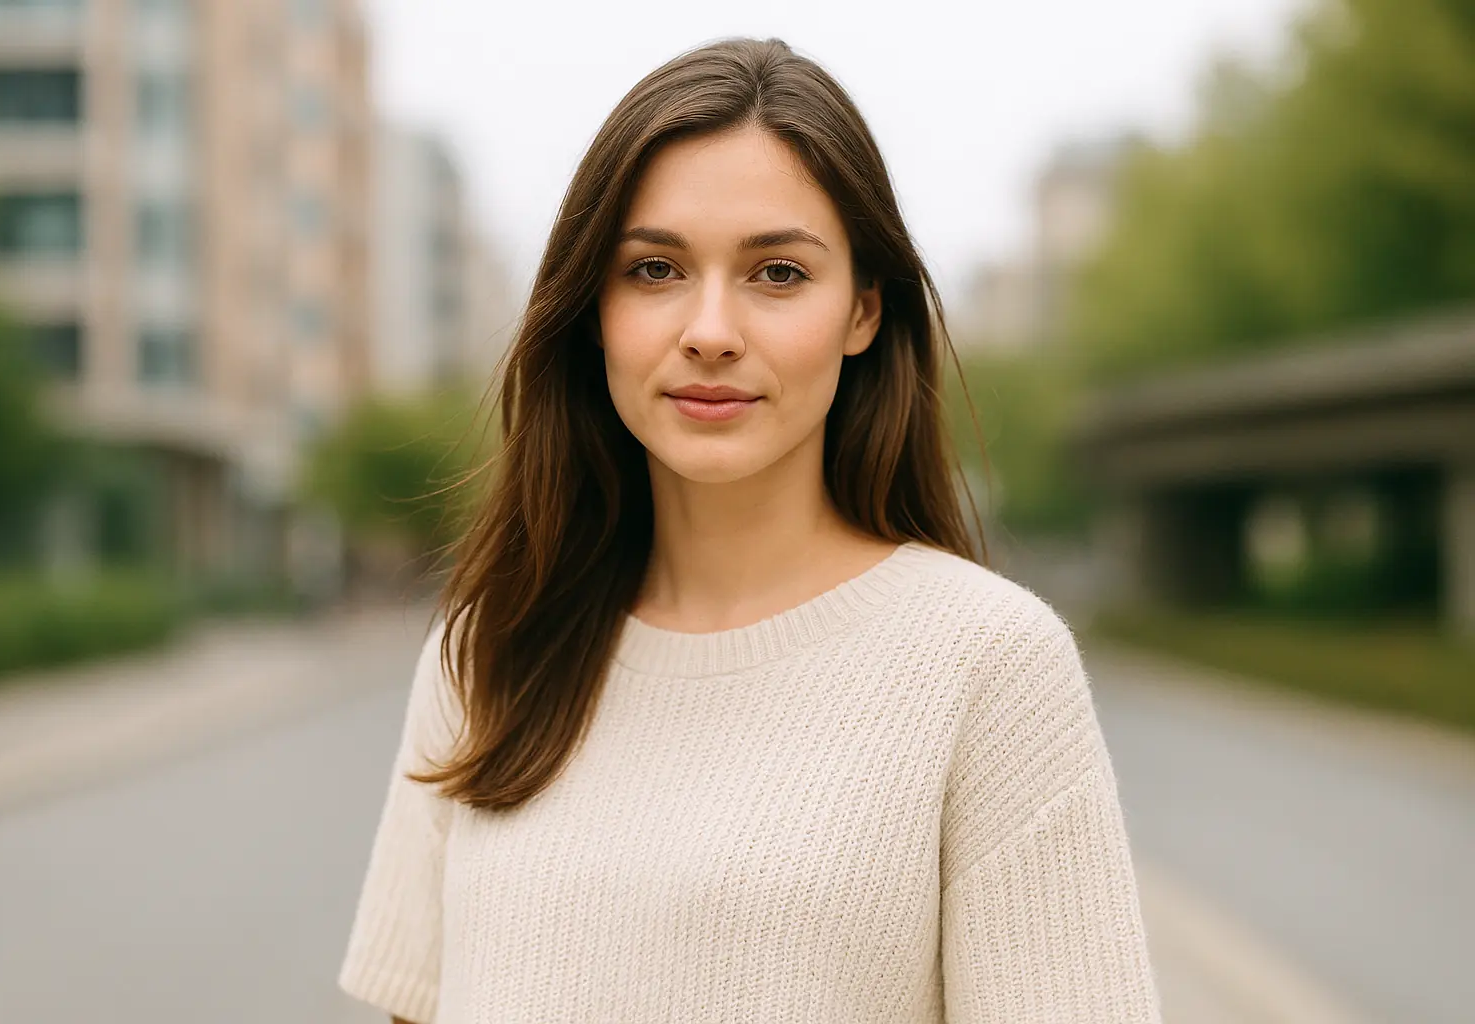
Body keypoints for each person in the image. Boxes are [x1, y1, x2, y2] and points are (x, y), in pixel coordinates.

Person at [337, 36, 1163, 1024]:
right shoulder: (491, 648)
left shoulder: (987, 664)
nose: (711, 331)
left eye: (777, 272)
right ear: (592, 309)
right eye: (655, 269)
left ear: (862, 312)